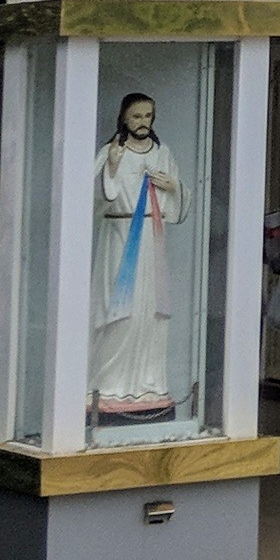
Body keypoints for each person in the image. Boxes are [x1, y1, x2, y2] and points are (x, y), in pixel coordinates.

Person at [91, 92, 188, 425]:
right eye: (136, 117)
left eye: (148, 116)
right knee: (119, 311)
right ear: (124, 119)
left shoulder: (163, 153)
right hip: (119, 237)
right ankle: (108, 385)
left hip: (152, 237)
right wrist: (113, 169)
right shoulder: (110, 152)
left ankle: (147, 385)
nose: (143, 122)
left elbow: (178, 201)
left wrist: (174, 186)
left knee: (150, 314)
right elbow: (96, 196)